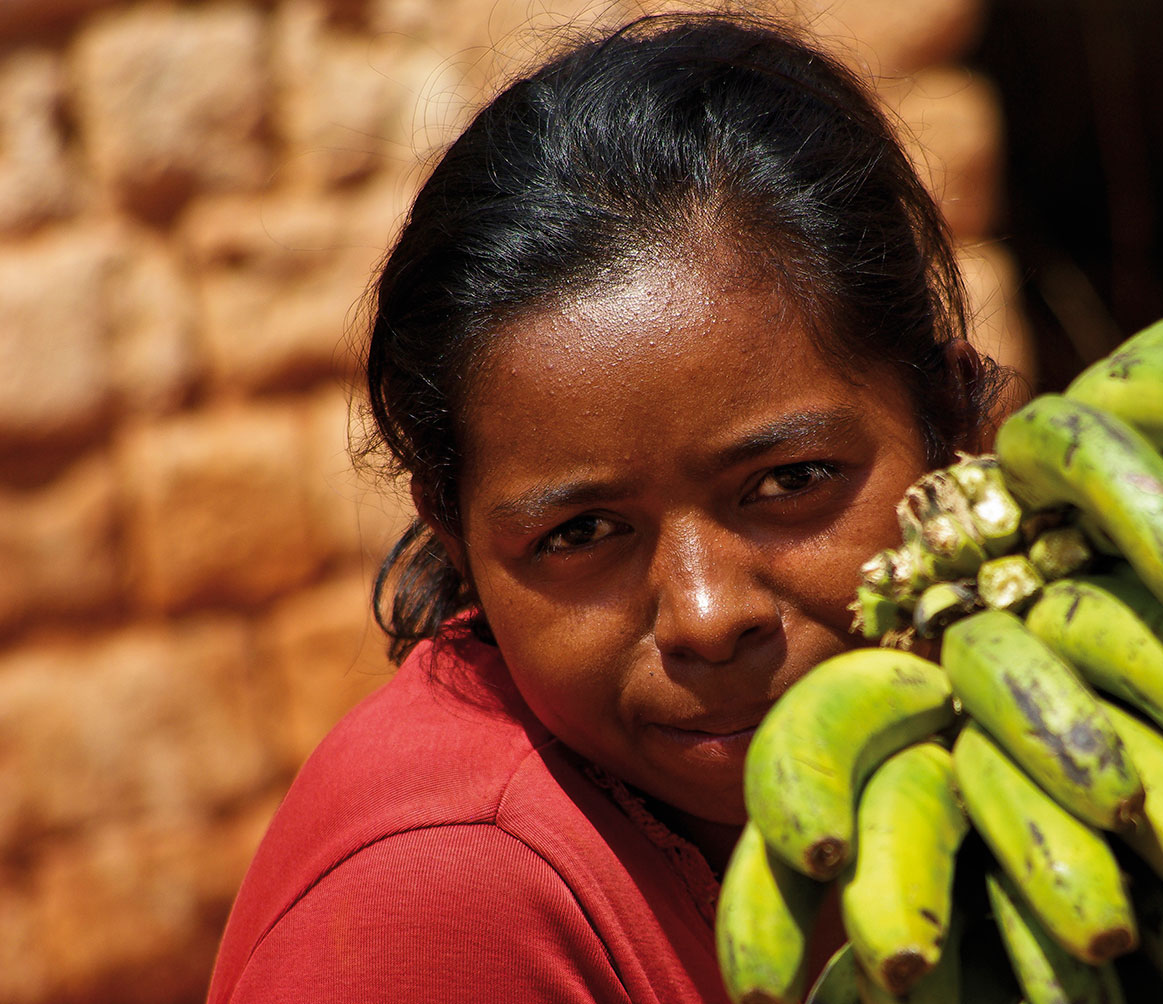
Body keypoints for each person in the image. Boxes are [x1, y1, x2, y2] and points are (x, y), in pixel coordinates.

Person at [205, 10, 1010, 1004]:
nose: (707, 617)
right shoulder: (437, 905)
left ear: (953, 419)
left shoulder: (1058, 742)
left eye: (788, 481)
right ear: (460, 547)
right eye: (579, 533)